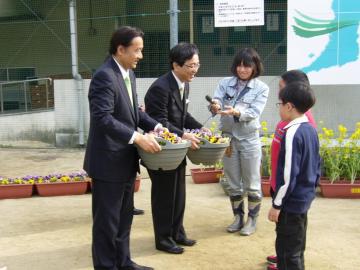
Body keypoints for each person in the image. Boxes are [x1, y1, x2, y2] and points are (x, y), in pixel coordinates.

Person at [84, 26, 163, 270]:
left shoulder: (128, 74)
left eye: (141, 50)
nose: (140, 55)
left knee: (124, 217)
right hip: (107, 162)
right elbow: (103, 118)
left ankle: (124, 262)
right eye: (136, 50)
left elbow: (133, 114)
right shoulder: (105, 76)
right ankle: (107, 266)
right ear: (120, 49)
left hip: (125, 160)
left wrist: (157, 126)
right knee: (107, 222)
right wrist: (137, 138)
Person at [144, 42, 204, 254]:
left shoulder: (184, 83)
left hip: (177, 150)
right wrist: (183, 134)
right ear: (176, 65)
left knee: (179, 193)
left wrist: (201, 128)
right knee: (164, 196)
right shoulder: (160, 88)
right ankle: (163, 238)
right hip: (162, 153)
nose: (194, 69)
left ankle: (177, 232)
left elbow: (183, 116)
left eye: (197, 64)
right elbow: (158, 121)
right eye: (190, 66)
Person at [210, 48, 269, 236]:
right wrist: (215, 105)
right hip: (228, 139)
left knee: (252, 183)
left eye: (247, 66)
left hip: (249, 139)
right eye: (239, 65)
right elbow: (217, 100)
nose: (242, 69)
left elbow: (254, 113)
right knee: (233, 183)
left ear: (254, 67)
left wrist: (236, 112)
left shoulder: (261, 88)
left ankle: (252, 220)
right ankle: (237, 217)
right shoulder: (225, 83)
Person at [267, 70, 317, 268]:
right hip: (303, 199)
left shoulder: (292, 132)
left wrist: (277, 205)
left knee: (287, 253)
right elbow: (316, 166)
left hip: (290, 203)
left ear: (289, 106)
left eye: (280, 104)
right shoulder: (310, 129)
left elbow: (288, 175)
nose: (279, 108)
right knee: (297, 247)